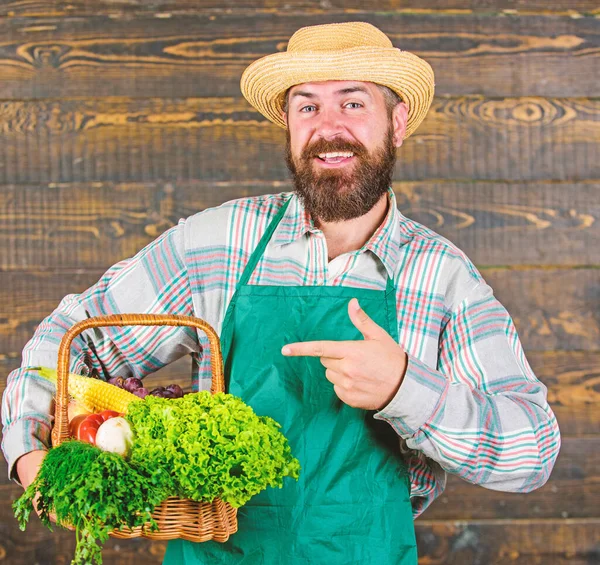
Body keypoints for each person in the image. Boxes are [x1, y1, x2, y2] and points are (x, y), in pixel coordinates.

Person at [2, 21, 560, 564]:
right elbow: (69, 343)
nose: (329, 126)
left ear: (398, 120)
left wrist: (405, 389)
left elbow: (531, 452)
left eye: (353, 102)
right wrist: (30, 454)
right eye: (307, 105)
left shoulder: (440, 276)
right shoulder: (217, 243)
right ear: (290, 125)